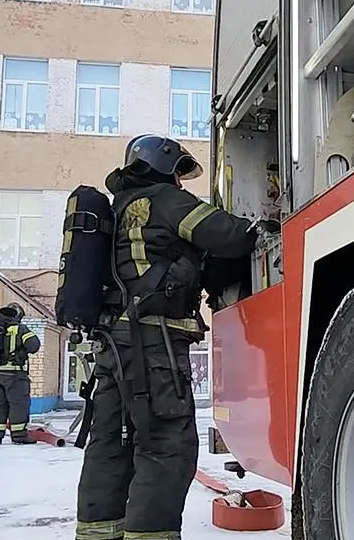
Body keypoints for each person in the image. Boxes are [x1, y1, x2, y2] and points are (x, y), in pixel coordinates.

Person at [75, 135, 273, 540]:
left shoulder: (121, 210)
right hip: (154, 349)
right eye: (179, 173)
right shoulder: (165, 200)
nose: (182, 183)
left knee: (110, 445)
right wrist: (264, 225)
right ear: (163, 166)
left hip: (114, 346)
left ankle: (97, 533)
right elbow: (229, 235)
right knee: (166, 446)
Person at [0, 302, 41, 445]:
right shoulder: (20, 329)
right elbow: (34, 346)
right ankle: (19, 435)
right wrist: (21, 351)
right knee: (18, 404)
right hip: (14, 375)